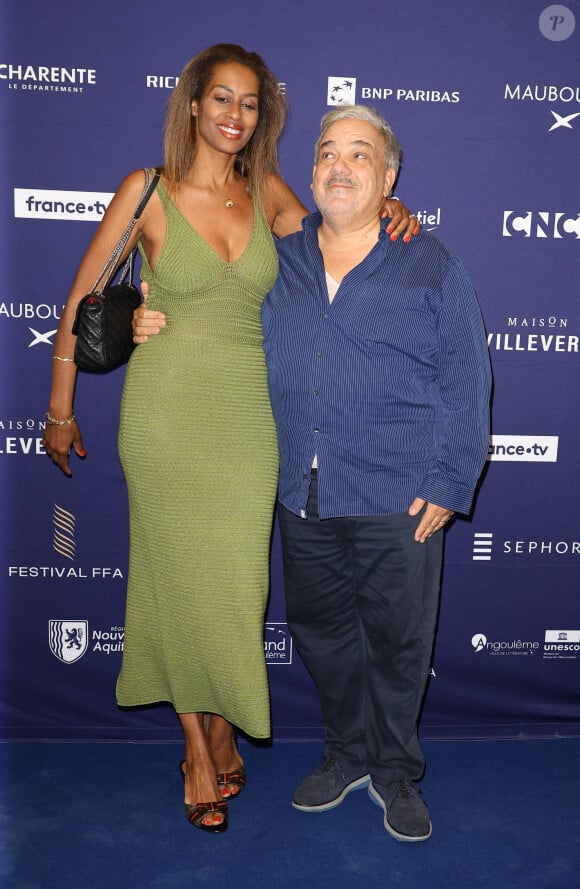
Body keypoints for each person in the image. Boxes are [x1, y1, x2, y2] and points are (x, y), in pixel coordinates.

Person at [43, 45, 418, 835]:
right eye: (221, 99)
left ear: (260, 117)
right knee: (175, 579)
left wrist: (390, 210)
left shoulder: (264, 192)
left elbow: (332, 227)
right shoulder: (144, 190)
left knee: (237, 588)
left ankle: (221, 723)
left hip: (250, 421)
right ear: (191, 105)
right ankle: (198, 750)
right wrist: (60, 411)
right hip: (165, 415)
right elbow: (79, 303)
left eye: (249, 104)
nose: (233, 116)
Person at [260, 105, 492, 842]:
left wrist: (451, 480)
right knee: (323, 633)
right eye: (328, 152)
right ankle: (346, 752)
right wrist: (153, 320)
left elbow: (466, 379)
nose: (340, 165)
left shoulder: (430, 261)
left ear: (388, 177)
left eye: (360, 155)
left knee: (398, 642)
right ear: (312, 171)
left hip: (401, 494)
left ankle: (395, 770)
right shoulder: (281, 258)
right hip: (304, 491)